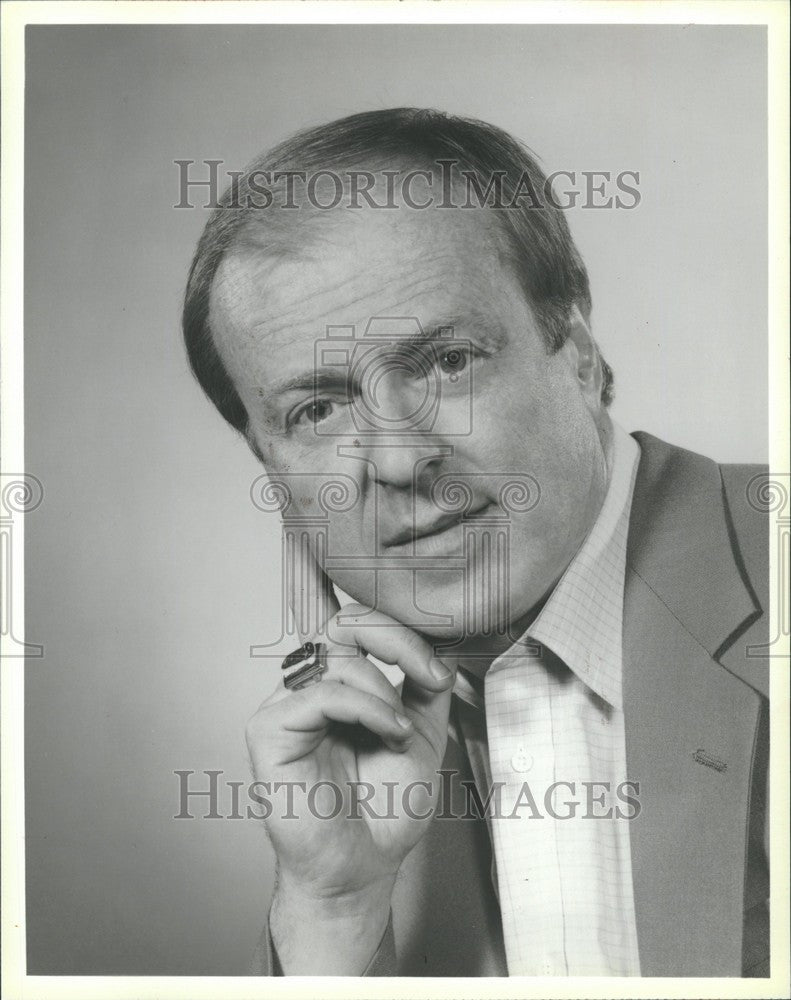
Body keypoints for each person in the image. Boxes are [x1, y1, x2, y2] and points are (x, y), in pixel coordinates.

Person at [182, 108, 769, 977]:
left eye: (445, 362)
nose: (397, 458)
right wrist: (332, 913)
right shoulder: (361, 771)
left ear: (571, 343)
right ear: (271, 467)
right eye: (317, 411)